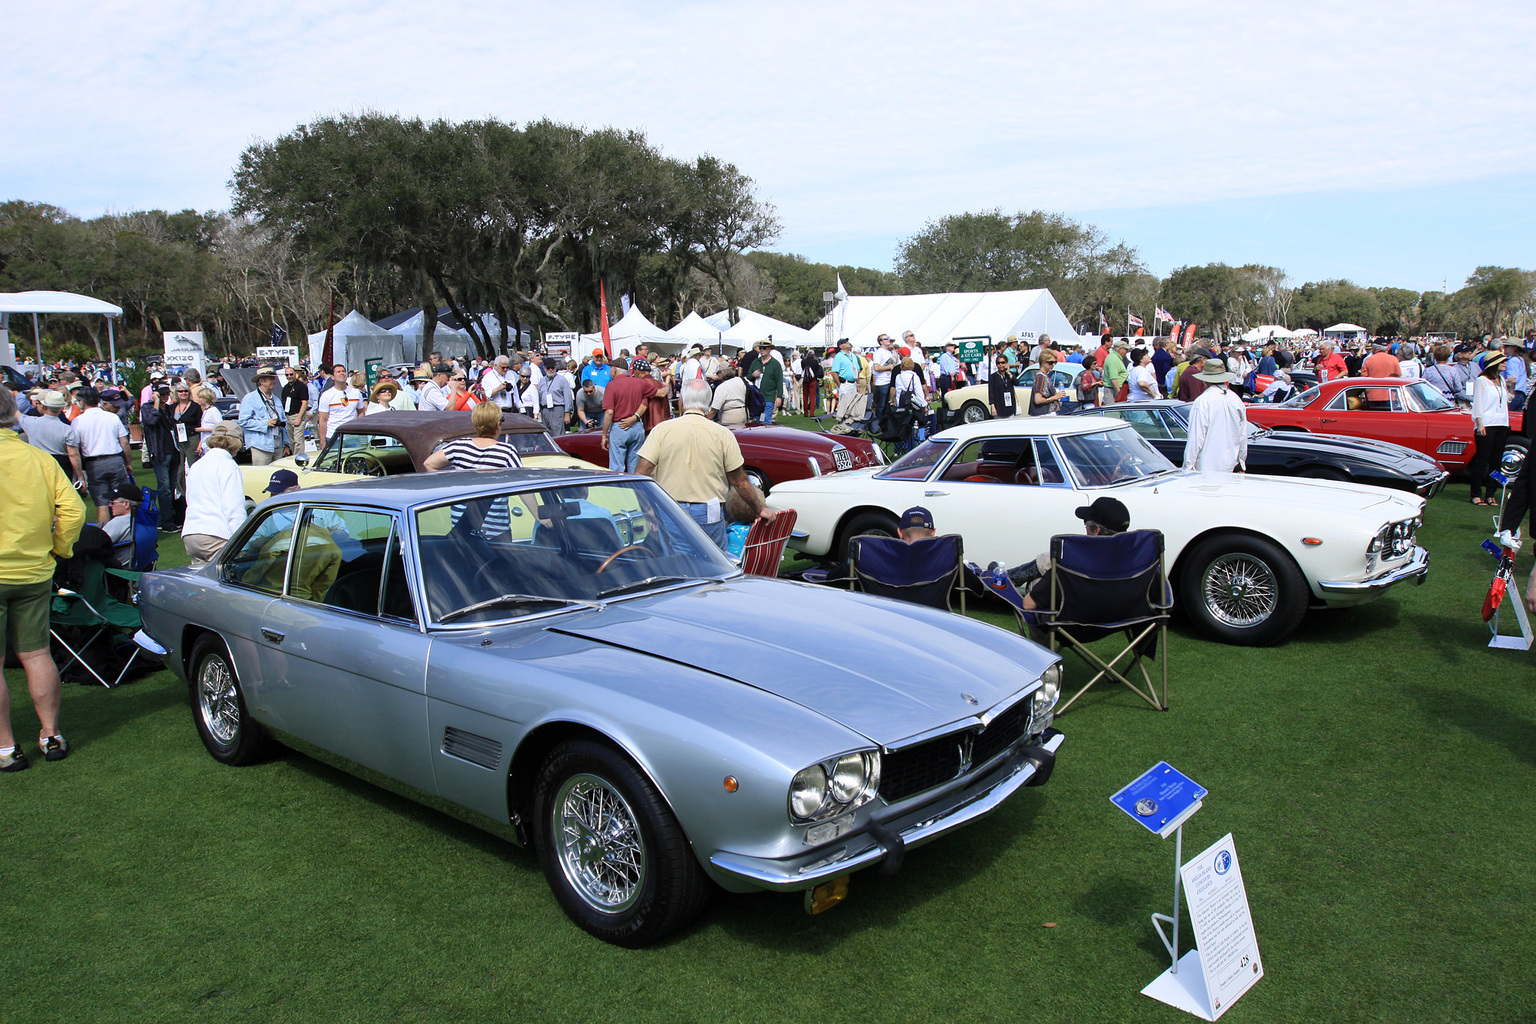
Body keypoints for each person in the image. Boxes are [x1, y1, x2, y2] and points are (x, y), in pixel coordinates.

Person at [0, 384, 85, 771]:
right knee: (36, 654)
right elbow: (74, 511)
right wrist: (58, 548)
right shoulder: (38, 459)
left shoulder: (37, 458)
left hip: (25, 566)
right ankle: (50, 733)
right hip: (34, 569)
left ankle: (6, 746)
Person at [635, 379, 775, 549]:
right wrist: (759, 509)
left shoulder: (661, 430)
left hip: (671, 508)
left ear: (682, 401)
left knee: (680, 563)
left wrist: (648, 510)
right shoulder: (722, 434)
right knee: (715, 561)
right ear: (709, 403)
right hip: (709, 510)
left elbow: (640, 474)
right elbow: (740, 481)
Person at [1008, 497, 1131, 614]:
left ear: (1097, 530)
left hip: (1072, 627)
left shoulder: (1073, 563)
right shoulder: (1134, 561)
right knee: (1049, 559)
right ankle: (1010, 577)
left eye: (1086, 523)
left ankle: (1006, 578)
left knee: (1038, 579)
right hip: (1118, 618)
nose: (1086, 527)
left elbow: (1028, 604)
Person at [181, 421, 247, 566]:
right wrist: (242, 542)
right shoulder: (229, 466)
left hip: (191, 533)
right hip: (215, 534)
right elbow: (234, 509)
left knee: (202, 583)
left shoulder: (197, 465)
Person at [72, 386, 134, 526]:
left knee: (102, 502)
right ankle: (126, 530)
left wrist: (80, 474)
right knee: (122, 498)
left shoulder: (78, 421)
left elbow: (75, 449)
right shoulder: (112, 417)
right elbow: (124, 443)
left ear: (82, 402)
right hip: (115, 460)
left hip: (94, 464)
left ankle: (106, 534)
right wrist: (128, 463)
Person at [1184, 358, 1248, 477]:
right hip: (1230, 464)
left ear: (1205, 380)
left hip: (1206, 467)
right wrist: (1241, 461)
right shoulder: (1235, 399)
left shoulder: (1203, 401)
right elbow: (1243, 435)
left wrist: (1188, 466)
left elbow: (1196, 437)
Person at [423, 401, 522, 473]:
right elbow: (522, 482)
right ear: (498, 424)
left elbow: (429, 464)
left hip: (464, 501)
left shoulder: (460, 446)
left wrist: (453, 484)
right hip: (495, 502)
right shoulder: (507, 451)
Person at [601, 359, 659, 473]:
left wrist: (604, 434)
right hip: (637, 426)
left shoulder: (611, 385)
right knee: (635, 466)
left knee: (617, 466)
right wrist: (666, 386)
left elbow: (609, 412)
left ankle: (618, 489)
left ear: (614, 370)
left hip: (619, 426)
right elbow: (659, 393)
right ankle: (634, 489)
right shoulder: (639, 382)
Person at [18, 389, 85, 487]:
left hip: (39, 463)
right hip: (61, 465)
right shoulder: (67, 429)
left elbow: (16, 413)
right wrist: (80, 476)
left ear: (44, 406)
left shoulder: (31, 422)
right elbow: (73, 454)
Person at [1469, 352, 1510, 507]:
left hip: (1502, 424)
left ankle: (1491, 493)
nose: (1505, 364)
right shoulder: (1482, 380)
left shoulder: (1502, 380)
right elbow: (1478, 403)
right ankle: (1476, 494)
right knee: (1482, 460)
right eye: (1502, 361)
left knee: (1496, 462)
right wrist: (1479, 424)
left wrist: (1511, 387)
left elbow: (1507, 400)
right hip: (1487, 424)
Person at [138, 382, 181, 531]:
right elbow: (151, 420)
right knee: (164, 489)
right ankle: (167, 522)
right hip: (160, 453)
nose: (165, 397)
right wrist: (156, 403)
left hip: (174, 450)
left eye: (166, 394)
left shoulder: (169, 409)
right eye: (161, 394)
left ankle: (165, 518)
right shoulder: (148, 408)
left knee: (171, 487)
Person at [238, 367, 289, 466]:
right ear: (261, 381)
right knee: (261, 475)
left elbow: (284, 423)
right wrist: (265, 423)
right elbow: (243, 421)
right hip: (261, 446)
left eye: (273, 379)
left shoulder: (276, 400)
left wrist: (286, 444)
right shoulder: (250, 399)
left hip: (278, 445)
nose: (273, 381)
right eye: (270, 379)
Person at [317, 365, 365, 444]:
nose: (342, 373)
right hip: (334, 437)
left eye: (343, 371)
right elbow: (322, 420)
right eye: (338, 372)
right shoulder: (327, 395)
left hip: (352, 437)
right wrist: (322, 442)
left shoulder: (355, 393)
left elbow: (361, 412)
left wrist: (357, 428)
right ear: (333, 377)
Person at [751, 342, 784, 424]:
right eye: (760, 348)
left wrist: (779, 396)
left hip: (769, 396)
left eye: (764, 348)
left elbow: (779, 381)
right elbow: (748, 376)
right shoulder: (756, 362)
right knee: (758, 420)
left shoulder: (775, 364)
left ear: (769, 349)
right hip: (756, 397)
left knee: (766, 421)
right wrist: (753, 375)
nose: (762, 350)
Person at [539, 365, 573, 435]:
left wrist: (567, 413)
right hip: (545, 409)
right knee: (546, 433)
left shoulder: (561, 380)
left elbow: (567, 397)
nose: (550, 370)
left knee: (558, 433)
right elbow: (539, 395)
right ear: (544, 369)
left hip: (557, 408)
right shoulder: (542, 380)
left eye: (552, 368)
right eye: (548, 368)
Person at [281, 366, 311, 446]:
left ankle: (298, 457)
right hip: (288, 416)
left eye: (291, 374)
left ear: (295, 374)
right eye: (287, 375)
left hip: (298, 415)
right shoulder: (285, 388)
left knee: (298, 441)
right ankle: (294, 456)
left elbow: (305, 403)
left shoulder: (301, 386)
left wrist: (299, 417)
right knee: (292, 441)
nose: (289, 376)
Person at [988, 352, 1017, 419]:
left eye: (1003, 362)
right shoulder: (993, 377)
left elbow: (1016, 382)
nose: (1001, 365)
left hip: (1010, 406)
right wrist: (993, 407)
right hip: (999, 407)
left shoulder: (1010, 375)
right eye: (998, 363)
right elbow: (991, 393)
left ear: (1006, 363)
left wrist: (1008, 372)